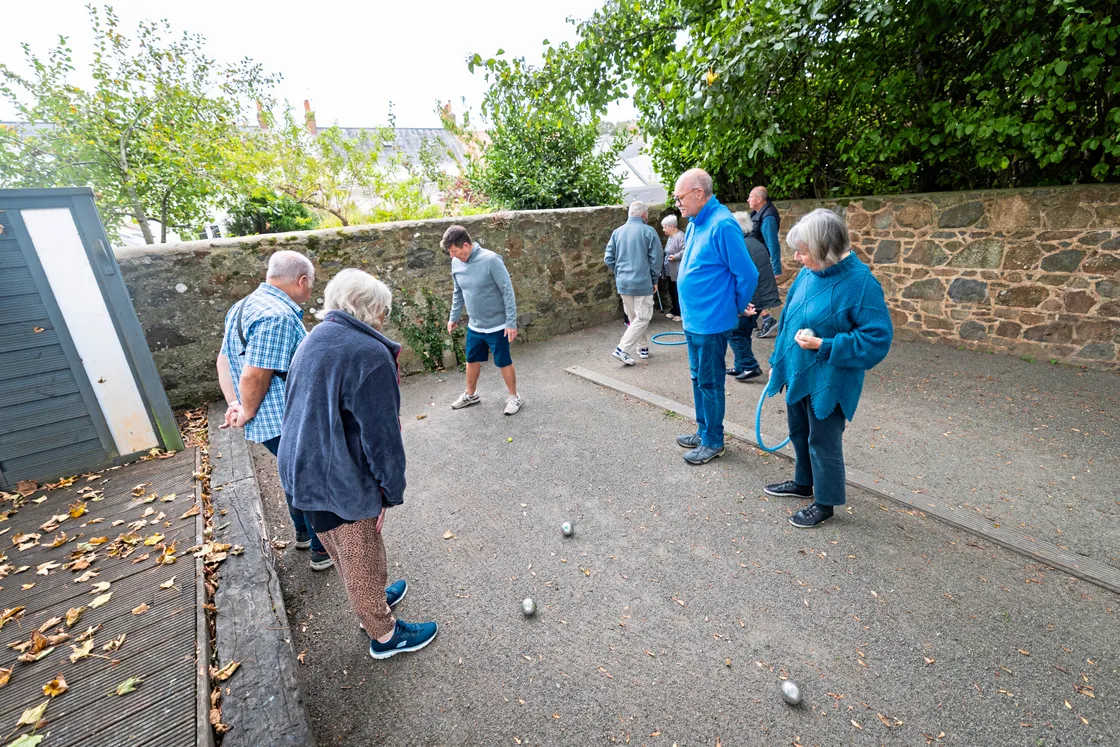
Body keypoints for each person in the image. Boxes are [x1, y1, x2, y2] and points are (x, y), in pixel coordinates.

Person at [278, 269, 438, 659]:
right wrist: (389, 492)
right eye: (383, 310)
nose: (384, 317)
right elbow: (382, 437)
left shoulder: (315, 337)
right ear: (369, 309)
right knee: (359, 556)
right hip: (336, 478)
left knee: (346, 551)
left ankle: (373, 601)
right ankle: (384, 634)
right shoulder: (368, 353)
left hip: (300, 467)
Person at [762, 209, 893, 528]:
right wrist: (778, 362)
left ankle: (825, 503)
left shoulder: (861, 283)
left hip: (831, 380)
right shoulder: (810, 272)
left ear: (825, 249)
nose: (796, 257)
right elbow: (789, 318)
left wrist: (825, 345)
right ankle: (803, 483)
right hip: (799, 373)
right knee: (799, 432)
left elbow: (876, 339)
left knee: (823, 442)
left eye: (802, 251)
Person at [216, 250, 332, 571]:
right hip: (286, 418)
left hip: (272, 419)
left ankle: (303, 533)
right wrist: (245, 411)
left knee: (292, 474)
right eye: (311, 285)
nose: (311, 291)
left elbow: (224, 359)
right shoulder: (277, 316)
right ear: (302, 281)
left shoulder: (242, 307)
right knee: (312, 480)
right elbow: (254, 374)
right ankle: (322, 550)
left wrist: (234, 403)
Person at [672, 168, 758, 465]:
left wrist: (736, 306)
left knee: (709, 382)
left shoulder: (722, 224)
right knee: (699, 378)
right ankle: (704, 430)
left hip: (711, 322)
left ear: (699, 194)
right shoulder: (696, 222)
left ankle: (713, 441)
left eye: (679, 197)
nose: (677, 204)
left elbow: (748, 274)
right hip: (694, 320)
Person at [443, 225, 522, 415]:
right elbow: (458, 292)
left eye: (454, 251)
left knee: (503, 361)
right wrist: (453, 317)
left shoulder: (491, 260)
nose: (452, 256)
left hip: (498, 326)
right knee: (471, 360)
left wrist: (511, 322)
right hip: (475, 326)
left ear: (465, 245)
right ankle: (471, 395)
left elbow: (507, 291)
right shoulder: (456, 263)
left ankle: (514, 397)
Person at [604, 201, 664, 365]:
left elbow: (608, 258)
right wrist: (654, 279)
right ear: (644, 214)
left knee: (634, 318)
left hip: (623, 283)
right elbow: (657, 259)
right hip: (642, 282)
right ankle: (622, 349)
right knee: (643, 317)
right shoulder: (649, 231)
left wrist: (619, 273)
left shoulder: (617, 232)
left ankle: (642, 348)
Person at [727, 212, 782, 382]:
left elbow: (742, 276)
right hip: (760, 295)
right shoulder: (754, 242)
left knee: (734, 332)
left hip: (751, 297)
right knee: (743, 332)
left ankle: (749, 365)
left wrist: (739, 301)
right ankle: (741, 365)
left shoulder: (741, 246)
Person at [747, 186, 782, 338]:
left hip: (761, 260)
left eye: (750, 197)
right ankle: (755, 318)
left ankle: (767, 319)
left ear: (759, 199)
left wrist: (776, 269)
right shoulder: (757, 213)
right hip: (755, 258)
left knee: (758, 290)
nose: (748, 200)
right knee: (753, 289)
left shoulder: (768, 217)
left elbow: (773, 245)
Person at [660, 214, 684, 321]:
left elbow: (686, 250)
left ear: (672, 226)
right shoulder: (671, 236)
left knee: (677, 291)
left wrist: (676, 256)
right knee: (672, 290)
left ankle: (680, 313)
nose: (663, 229)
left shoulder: (680, 236)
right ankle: (675, 310)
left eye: (665, 227)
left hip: (677, 270)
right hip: (670, 270)